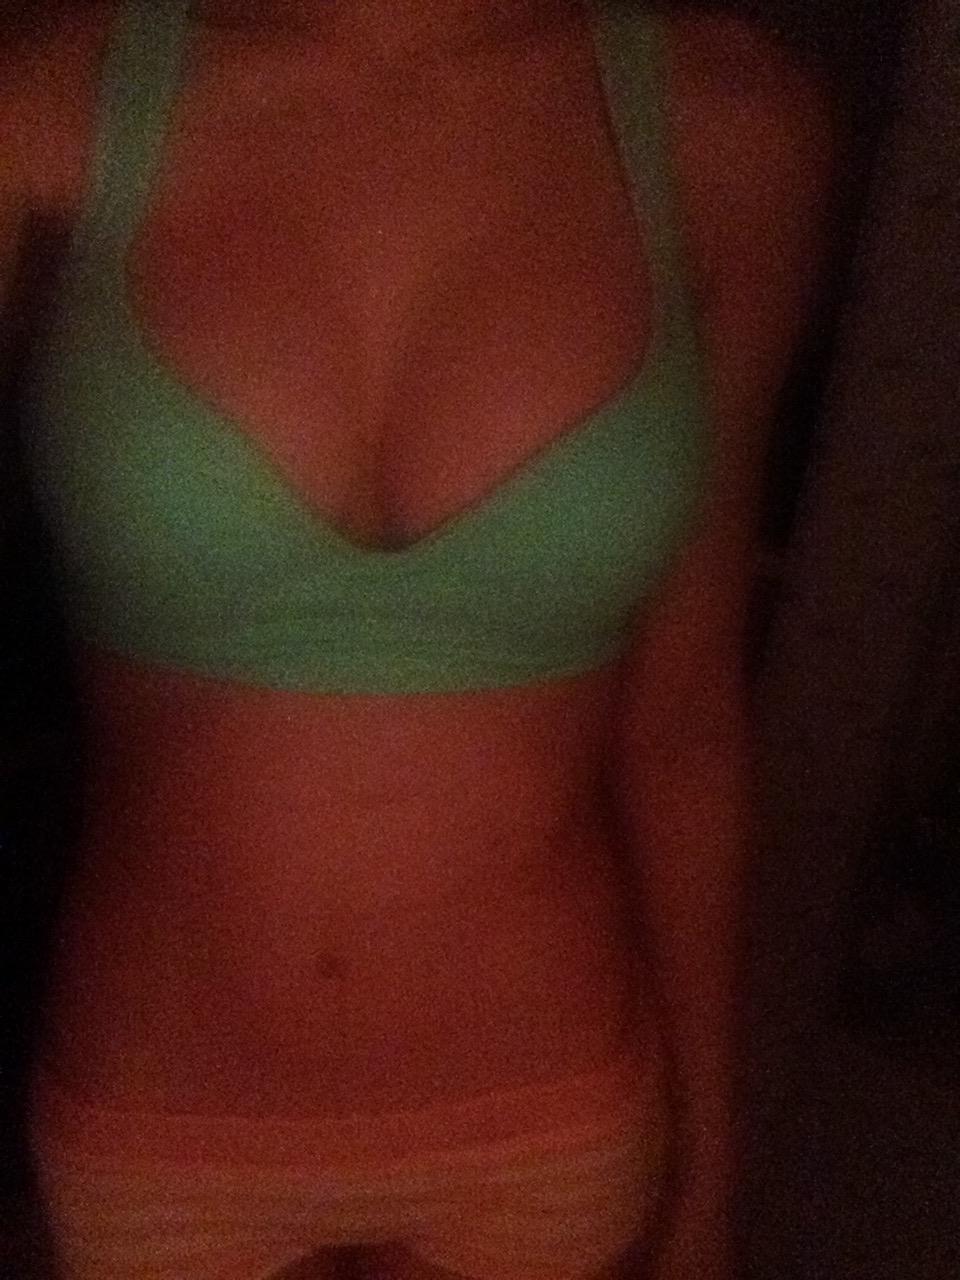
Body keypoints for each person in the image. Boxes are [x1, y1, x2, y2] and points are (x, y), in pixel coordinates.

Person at [0, 1, 840, 1277]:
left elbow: (684, 722)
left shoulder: (730, 126)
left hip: (551, 1115)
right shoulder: (52, 95)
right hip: (150, 1112)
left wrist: (710, 1172)